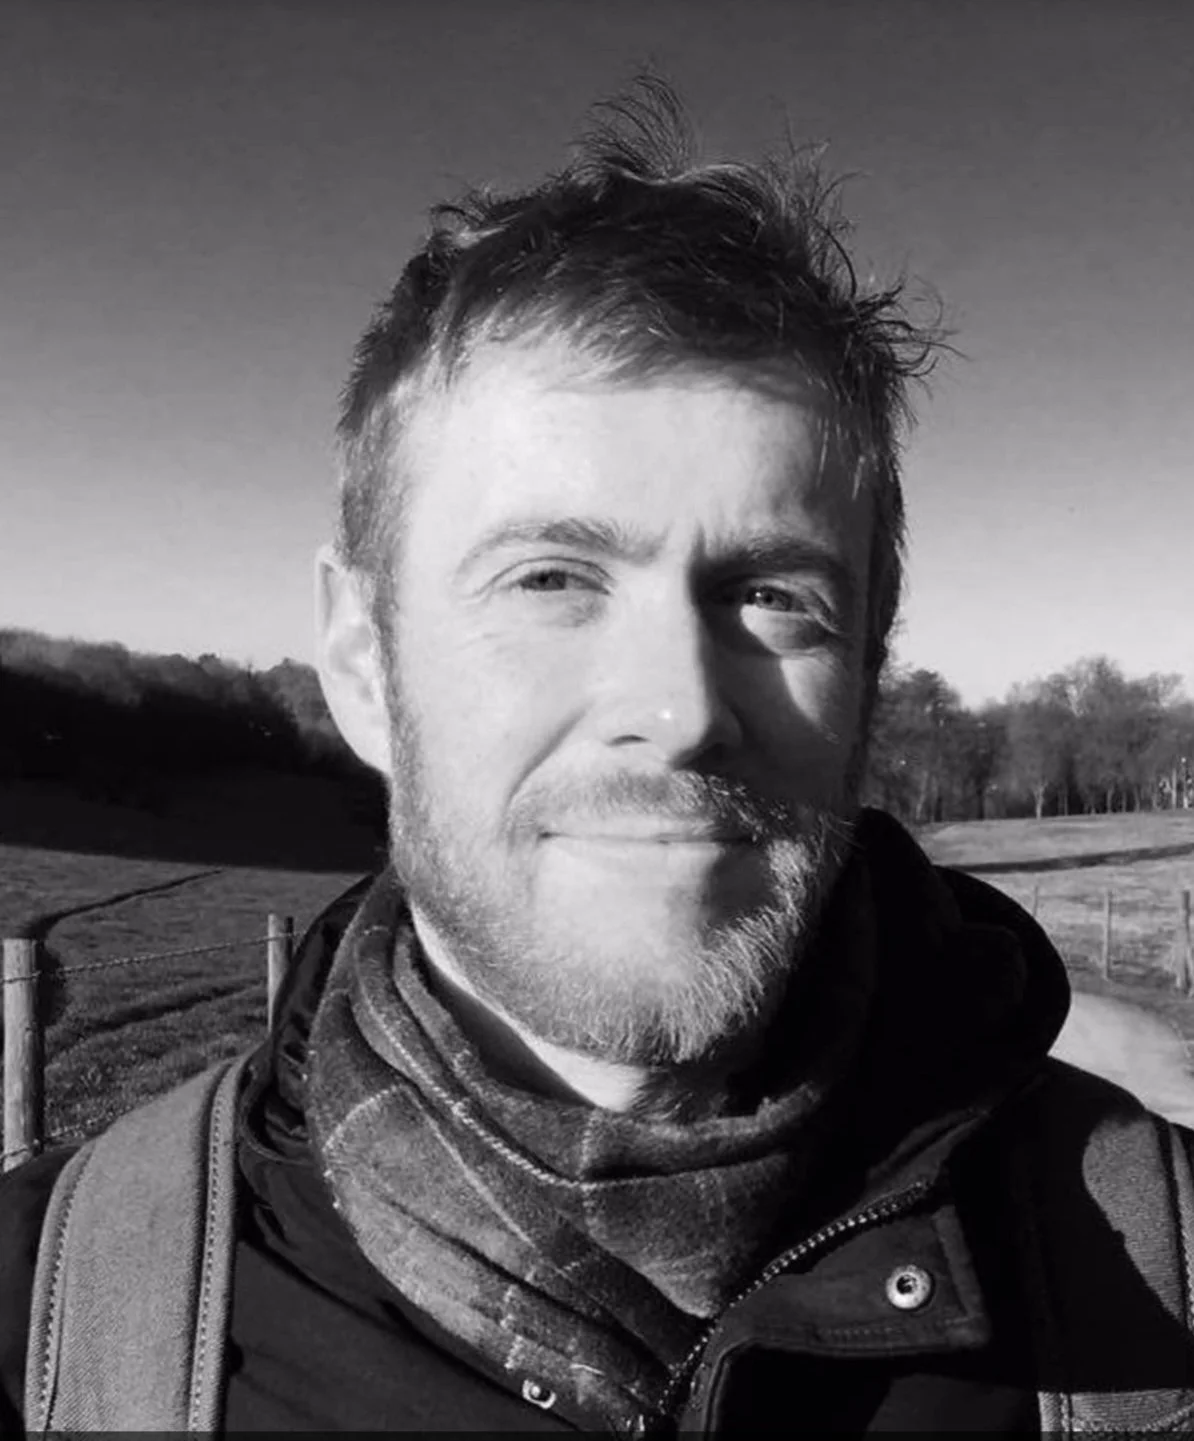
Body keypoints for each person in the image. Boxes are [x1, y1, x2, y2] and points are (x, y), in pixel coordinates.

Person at [4, 81, 1194, 1436]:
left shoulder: (1159, 1279)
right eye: (551, 578)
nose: (678, 708)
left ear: (869, 662)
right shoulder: (54, 1326)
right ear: (360, 657)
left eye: (773, 597)